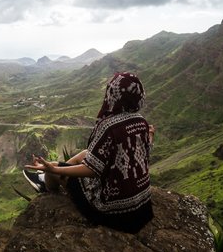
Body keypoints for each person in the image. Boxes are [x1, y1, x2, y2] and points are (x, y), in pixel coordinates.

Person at [23, 71, 155, 233]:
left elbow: (92, 170)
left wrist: (55, 169)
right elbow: (143, 152)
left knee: (55, 167)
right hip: (142, 210)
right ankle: (46, 177)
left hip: (115, 214)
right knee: (86, 153)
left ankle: (47, 184)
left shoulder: (108, 126)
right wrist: (149, 135)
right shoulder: (141, 122)